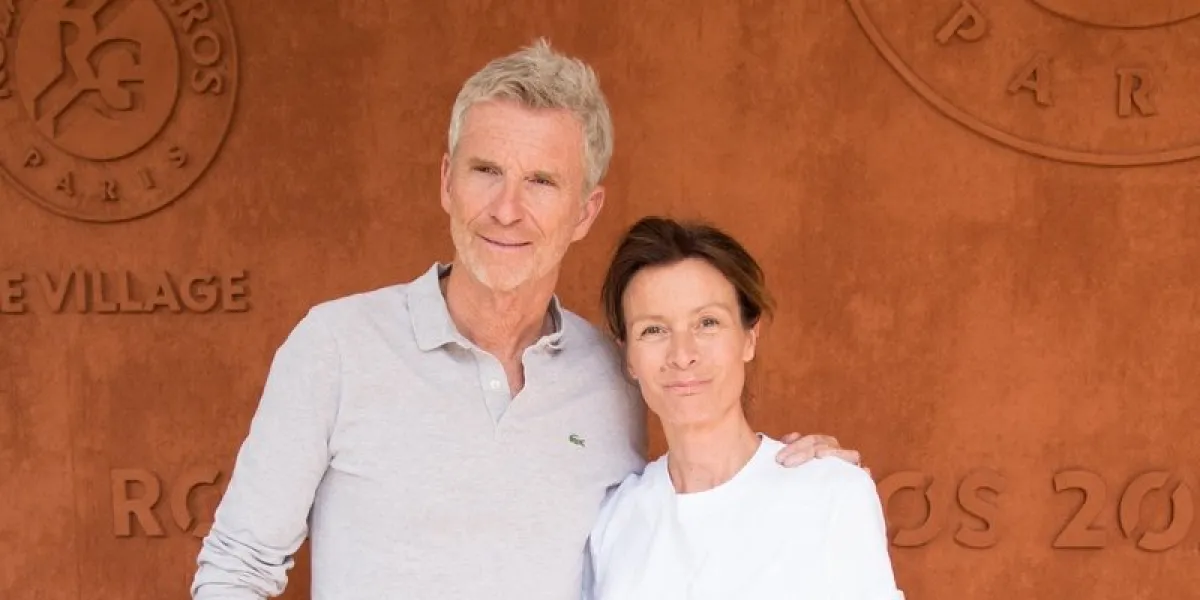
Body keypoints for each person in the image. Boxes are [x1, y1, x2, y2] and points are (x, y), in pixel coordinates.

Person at [190, 38, 866, 600]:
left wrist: (801, 480)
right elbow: (236, 569)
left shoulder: (614, 376)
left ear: (586, 211)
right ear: (447, 181)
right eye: (486, 171)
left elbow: (696, 500)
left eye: (541, 181)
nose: (507, 210)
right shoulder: (337, 346)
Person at [584, 216, 903, 599]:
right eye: (653, 329)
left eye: (707, 323)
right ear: (629, 357)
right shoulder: (614, 520)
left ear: (749, 338)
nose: (682, 354)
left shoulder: (831, 493)